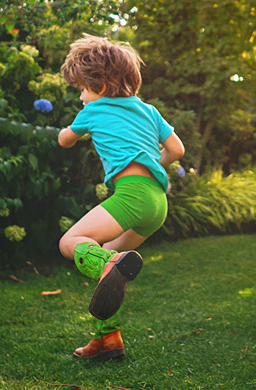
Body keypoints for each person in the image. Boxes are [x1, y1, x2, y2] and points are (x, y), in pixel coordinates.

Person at [57, 34, 185, 360]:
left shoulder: (94, 109)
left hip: (132, 195)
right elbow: (176, 150)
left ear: (97, 84)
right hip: (157, 202)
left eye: (82, 88)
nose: (82, 96)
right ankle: (108, 339)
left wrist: (67, 130)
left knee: (71, 242)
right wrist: (154, 163)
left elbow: (65, 141)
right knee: (106, 262)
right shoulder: (148, 111)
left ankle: (110, 264)